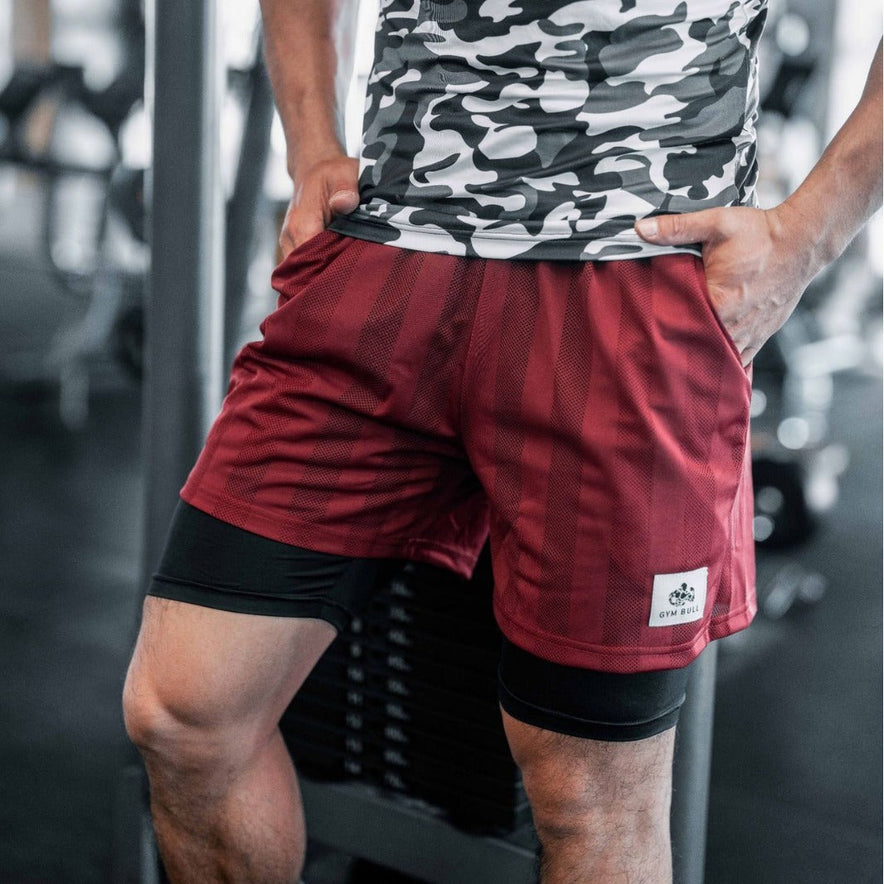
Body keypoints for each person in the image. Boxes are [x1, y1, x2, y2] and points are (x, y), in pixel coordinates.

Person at [122, 0, 882, 880]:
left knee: (592, 803)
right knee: (184, 716)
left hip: (629, 278)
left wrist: (807, 237)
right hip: (384, 258)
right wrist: (312, 147)